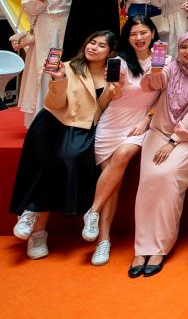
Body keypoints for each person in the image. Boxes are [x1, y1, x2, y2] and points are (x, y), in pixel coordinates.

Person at [9, 31, 115, 260]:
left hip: (82, 129)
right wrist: (58, 79)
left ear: (111, 52)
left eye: (101, 45)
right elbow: (53, 103)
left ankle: (32, 212)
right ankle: (36, 228)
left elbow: (104, 108)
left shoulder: (113, 75)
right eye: (91, 42)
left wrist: (113, 85)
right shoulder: (67, 66)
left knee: (66, 157)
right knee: (50, 155)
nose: (94, 47)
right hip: (53, 123)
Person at [130, 32, 188, 278]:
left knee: (168, 178)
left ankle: (160, 246)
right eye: (184, 47)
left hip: (186, 138)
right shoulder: (170, 67)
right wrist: (156, 70)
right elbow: (152, 85)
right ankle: (141, 248)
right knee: (148, 180)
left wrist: (173, 141)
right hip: (158, 132)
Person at [81, 16, 164, 266]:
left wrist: (147, 119)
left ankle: (93, 211)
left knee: (124, 154)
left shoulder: (164, 61)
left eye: (143, 32)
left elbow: (164, 97)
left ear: (152, 33)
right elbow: (105, 102)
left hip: (139, 123)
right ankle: (103, 240)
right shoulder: (119, 62)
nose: (139, 38)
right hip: (112, 122)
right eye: (133, 34)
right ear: (127, 38)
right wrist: (110, 90)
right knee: (113, 183)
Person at [12, 0, 72, 127]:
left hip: (69, 23)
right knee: (44, 69)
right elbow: (29, 7)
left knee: (67, 68)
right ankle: (41, 121)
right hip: (45, 26)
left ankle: (67, 117)